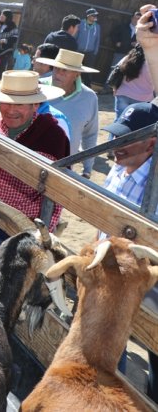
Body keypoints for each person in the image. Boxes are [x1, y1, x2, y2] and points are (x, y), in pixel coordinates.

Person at [99, 101, 158, 400]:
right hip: (113, 279)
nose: (116, 144)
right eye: (117, 135)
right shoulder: (118, 170)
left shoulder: (155, 184)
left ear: (152, 141)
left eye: (126, 138)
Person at [0, 70, 69, 251]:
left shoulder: (54, 136)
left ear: (35, 105)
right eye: (6, 102)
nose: (11, 110)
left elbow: (58, 194)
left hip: (24, 228)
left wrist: (42, 233)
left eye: (20, 104)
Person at [37, 49, 99, 179]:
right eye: (56, 68)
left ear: (76, 74)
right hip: (32, 160)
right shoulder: (37, 87)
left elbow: (90, 134)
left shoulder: (89, 97)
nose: (58, 73)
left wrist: (87, 168)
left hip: (64, 168)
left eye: (64, 70)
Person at [107, 45, 154, 121]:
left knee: (118, 122)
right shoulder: (153, 63)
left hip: (123, 94)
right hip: (143, 99)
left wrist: (115, 88)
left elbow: (116, 73)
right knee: (134, 127)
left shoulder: (127, 58)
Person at [75, 8, 101, 85]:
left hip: (90, 53)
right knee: (75, 68)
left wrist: (95, 52)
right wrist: (75, 49)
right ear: (88, 16)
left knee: (88, 71)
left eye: (96, 15)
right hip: (78, 51)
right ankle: (74, 84)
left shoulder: (97, 27)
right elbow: (75, 36)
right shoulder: (80, 23)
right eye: (93, 15)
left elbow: (97, 40)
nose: (95, 17)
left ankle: (87, 86)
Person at [0, 9, 18, 77]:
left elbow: (14, 39)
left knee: (2, 69)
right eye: (1, 15)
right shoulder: (0, 25)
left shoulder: (13, 26)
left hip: (6, 52)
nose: (0, 16)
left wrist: (4, 41)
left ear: (7, 17)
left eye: (3, 16)